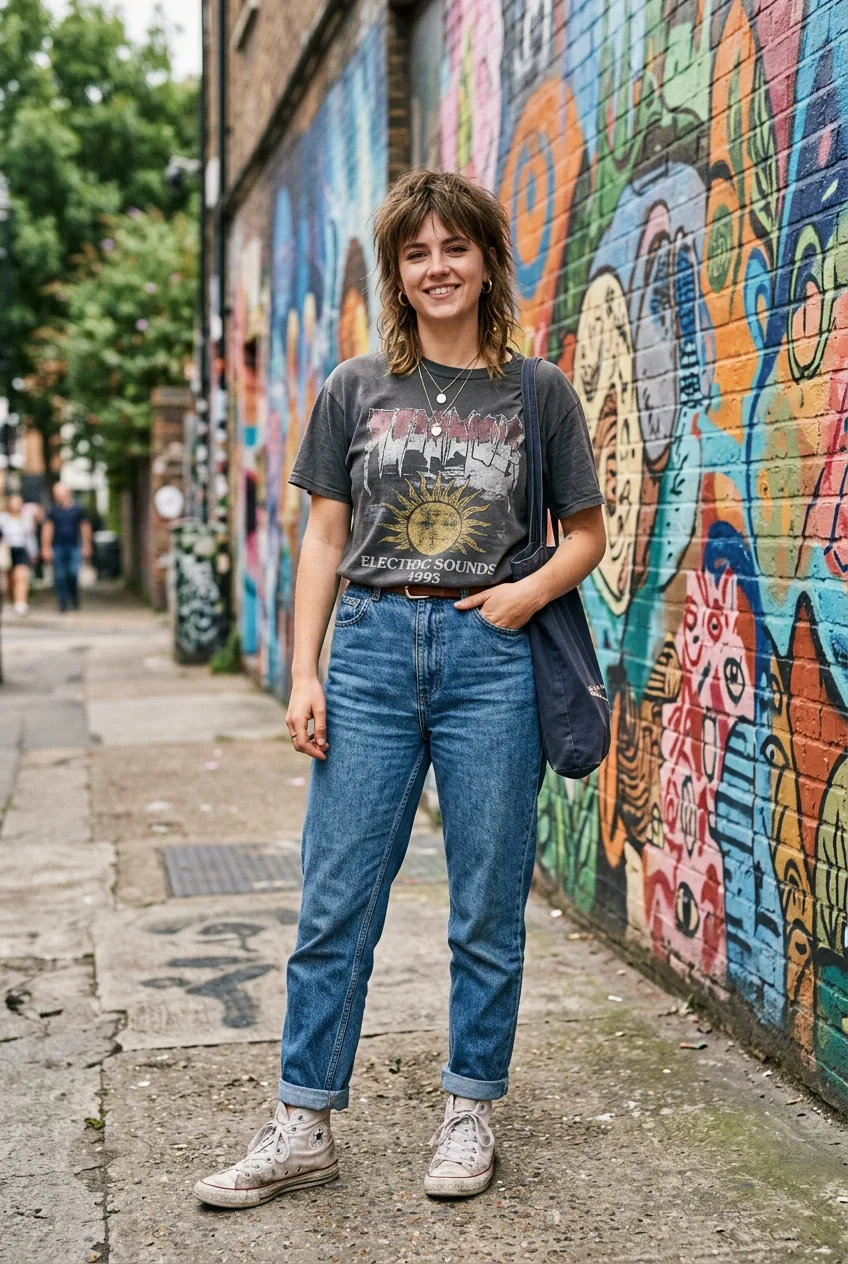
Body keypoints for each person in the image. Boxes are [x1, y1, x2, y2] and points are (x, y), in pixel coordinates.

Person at [194, 169, 606, 1209]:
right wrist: (302, 671)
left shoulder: (535, 392)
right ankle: (302, 1120)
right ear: (397, 272)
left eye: (453, 248)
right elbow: (322, 536)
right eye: (415, 253)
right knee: (335, 898)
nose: (436, 268)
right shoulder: (351, 387)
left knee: (484, 902)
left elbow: (588, 536)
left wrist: (521, 595)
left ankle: (468, 1111)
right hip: (372, 654)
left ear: (484, 260)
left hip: (490, 659)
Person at [42, 483, 92, 612]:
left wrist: (87, 545)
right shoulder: (53, 511)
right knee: (60, 576)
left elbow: (84, 527)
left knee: (73, 574)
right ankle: (63, 603)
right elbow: (47, 529)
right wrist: (46, 547)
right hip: (58, 546)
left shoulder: (78, 510)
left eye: (59, 493)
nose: (56, 496)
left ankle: (74, 598)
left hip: (74, 546)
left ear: (67, 493)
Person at [0, 493, 40, 615]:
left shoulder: (26, 519)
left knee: (21, 577)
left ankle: (21, 603)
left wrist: (34, 552)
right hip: (6, 550)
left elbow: (30, 537)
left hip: (21, 549)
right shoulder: (2, 518)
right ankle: (9, 601)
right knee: (8, 580)